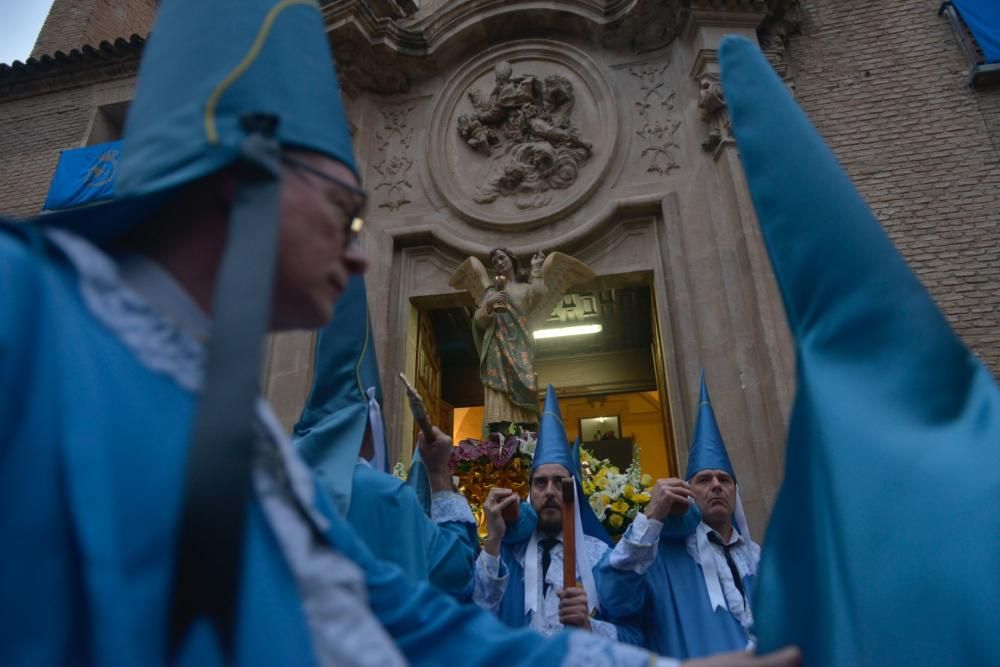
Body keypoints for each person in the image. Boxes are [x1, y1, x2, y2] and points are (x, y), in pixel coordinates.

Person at [0, 0, 802, 663]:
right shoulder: (22, 306)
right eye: (345, 213)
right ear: (250, 177)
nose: (358, 254)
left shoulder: (239, 438)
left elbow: (402, 619)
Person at [293, 273, 478, 600]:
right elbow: (457, 572)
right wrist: (438, 473)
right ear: (369, 424)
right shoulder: (386, 497)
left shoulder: (271, 482)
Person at [598, 374, 761, 660]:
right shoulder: (661, 559)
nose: (716, 485)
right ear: (688, 492)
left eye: (724, 479)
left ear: (736, 491)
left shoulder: (758, 559)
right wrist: (652, 515)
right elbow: (616, 599)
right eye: (704, 480)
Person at [474, 385, 641, 644]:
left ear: (574, 493)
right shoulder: (505, 558)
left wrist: (589, 627)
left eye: (559, 483)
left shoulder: (602, 559)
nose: (550, 492)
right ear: (529, 494)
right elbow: (477, 621)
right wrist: (495, 538)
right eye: (540, 483)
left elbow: (637, 637)